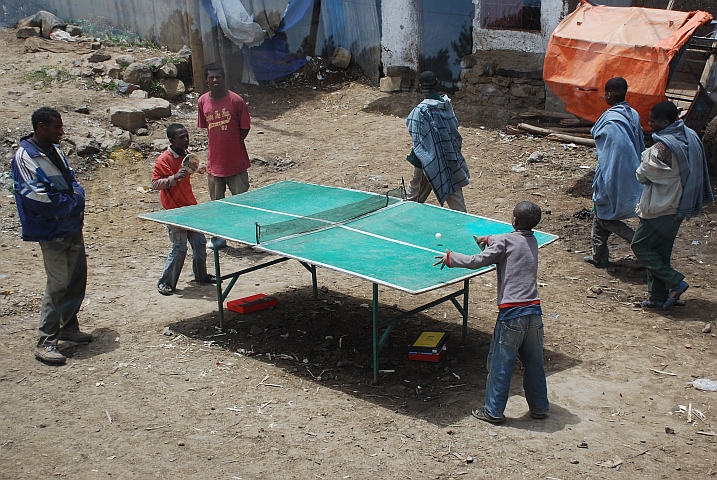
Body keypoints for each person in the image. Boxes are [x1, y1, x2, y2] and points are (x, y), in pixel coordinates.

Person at [434, 201, 549, 423]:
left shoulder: (505, 241)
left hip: (511, 316)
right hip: (534, 313)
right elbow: (505, 240)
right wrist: (487, 239)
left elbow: (477, 261)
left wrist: (451, 258)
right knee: (535, 363)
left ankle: (493, 411)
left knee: (500, 363)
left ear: (513, 220)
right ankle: (540, 407)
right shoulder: (532, 241)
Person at [11, 107, 92, 364]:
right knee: (58, 283)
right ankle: (46, 341)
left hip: (71, 226)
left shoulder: (55, 151)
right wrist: (73, 202)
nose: (62, 131)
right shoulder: (25, 157)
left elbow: (72, 180)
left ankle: (68, 326)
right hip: (50, 229)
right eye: (57, 127)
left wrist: (75, 198)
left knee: (77, 277)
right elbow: (38, 197)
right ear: (41, 126)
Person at [632, 101, 713, 310]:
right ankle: (656, 298)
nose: (649, 123)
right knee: (660, 252)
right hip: (680, 204)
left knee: (640, 245)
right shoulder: (689, 137)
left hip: (660, 205)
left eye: (653, 120)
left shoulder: (662, 146)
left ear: (666, 122)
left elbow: (642, 174)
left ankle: (675, 281)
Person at [584, 77, 644, 268]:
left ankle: (643, 245)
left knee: (605, 217)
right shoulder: (632, 113)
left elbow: (614, 156)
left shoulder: (611, 120)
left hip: (616, 174)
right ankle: (599, 256)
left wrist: (608, 181)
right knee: (599, 217)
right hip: (632, 169)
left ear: (608, 94)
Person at [152, 123, 216, 296]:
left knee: (200, 244)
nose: (186, 140)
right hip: (174, 212)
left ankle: (201, 276)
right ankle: (166, 283)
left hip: (190, 207)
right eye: (182, 137)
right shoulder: (163, 160)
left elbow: (194, 168)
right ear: (172, 140)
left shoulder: (188, 156)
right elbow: (155, 184)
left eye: (187, 136)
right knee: (179, 248)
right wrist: (173, 178)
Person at [197, 62, 252, 249]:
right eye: (211, 77)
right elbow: (207, 129)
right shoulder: (202, 101)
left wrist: (232, 145)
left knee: (243, 204)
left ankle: (248, 239)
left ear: (224, 78)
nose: (215, 80)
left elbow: (244, 129)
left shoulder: (236, 101)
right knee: (216, 207)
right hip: (214, 165)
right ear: (206, 80)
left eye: (218, 76)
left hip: (236, 164)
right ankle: (218, 239)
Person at [405, 71, 470, 212]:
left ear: (421, 86)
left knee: (413, 197)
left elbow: (414, 133)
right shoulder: (446, 105)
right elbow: (454, 131)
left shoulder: (419, 111)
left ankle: (405, 217)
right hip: (449, 157)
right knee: (453, 189)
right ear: (436, 83)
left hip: (426, 161)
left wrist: (431, 151)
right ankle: (462, 219)